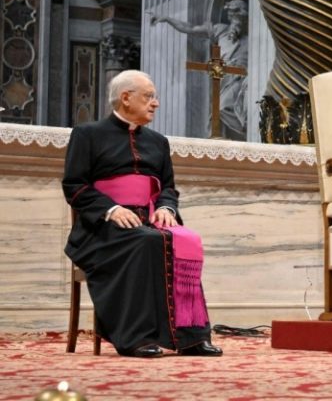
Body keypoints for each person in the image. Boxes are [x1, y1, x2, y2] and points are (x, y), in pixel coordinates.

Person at [62, 70, 222, 358]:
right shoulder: (88, 135)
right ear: (126, 98)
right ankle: (135, 337)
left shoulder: (158, 142)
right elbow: (74, 186)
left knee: (186, 240)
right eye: (149, 97)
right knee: (147, 241)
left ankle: (191, 337)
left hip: (149, 221)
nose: (155, 103)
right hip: (101, 229)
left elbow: (168, 187)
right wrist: (111, 209)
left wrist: (166, 207)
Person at [149, 0, 248, 140]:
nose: (235, 21)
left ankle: (246, 129)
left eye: (238, 17)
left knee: (224, 107)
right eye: (232, 16)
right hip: (221, 76)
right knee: (217, 110)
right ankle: (228, 134)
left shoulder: (250, 39)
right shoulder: (220, 30)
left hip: (239, 78)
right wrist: (167, 19)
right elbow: (190, 28)